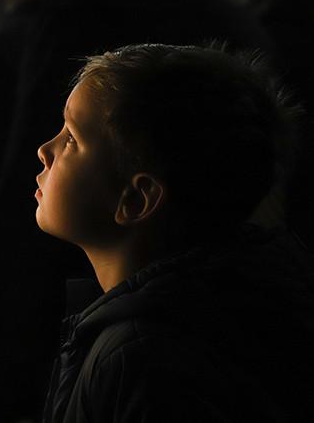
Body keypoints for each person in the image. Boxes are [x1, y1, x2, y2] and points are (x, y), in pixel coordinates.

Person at [37, 43, 314, 422]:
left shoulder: (144, 360)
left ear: (136, 198)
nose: (44, 150)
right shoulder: (231, 304)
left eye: (71, 138)